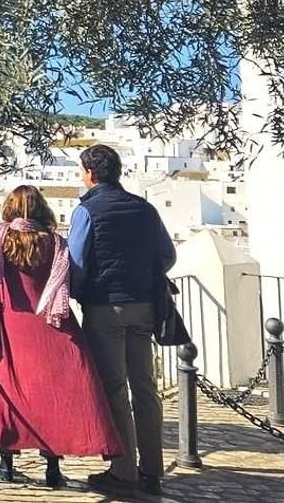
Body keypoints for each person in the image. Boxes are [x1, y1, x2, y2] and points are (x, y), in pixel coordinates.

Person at [0, 185, 124, 489]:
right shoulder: (55, 244)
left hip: (10, 328)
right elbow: (69, 279)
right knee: (53, 396)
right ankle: (52, 469)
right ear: (42, 208)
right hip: (52, 326)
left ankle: (5, 462)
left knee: (9, 392)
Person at [69, 144, 176, 497]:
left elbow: (78, 263)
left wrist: (79, 295)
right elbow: (167, 254)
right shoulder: (144, 209)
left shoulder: (87, 210)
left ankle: (123, 471)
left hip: (105, 308)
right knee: (145, 388)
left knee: (115, 389)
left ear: (90, 173)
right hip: (144, 305)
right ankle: (153, 471)